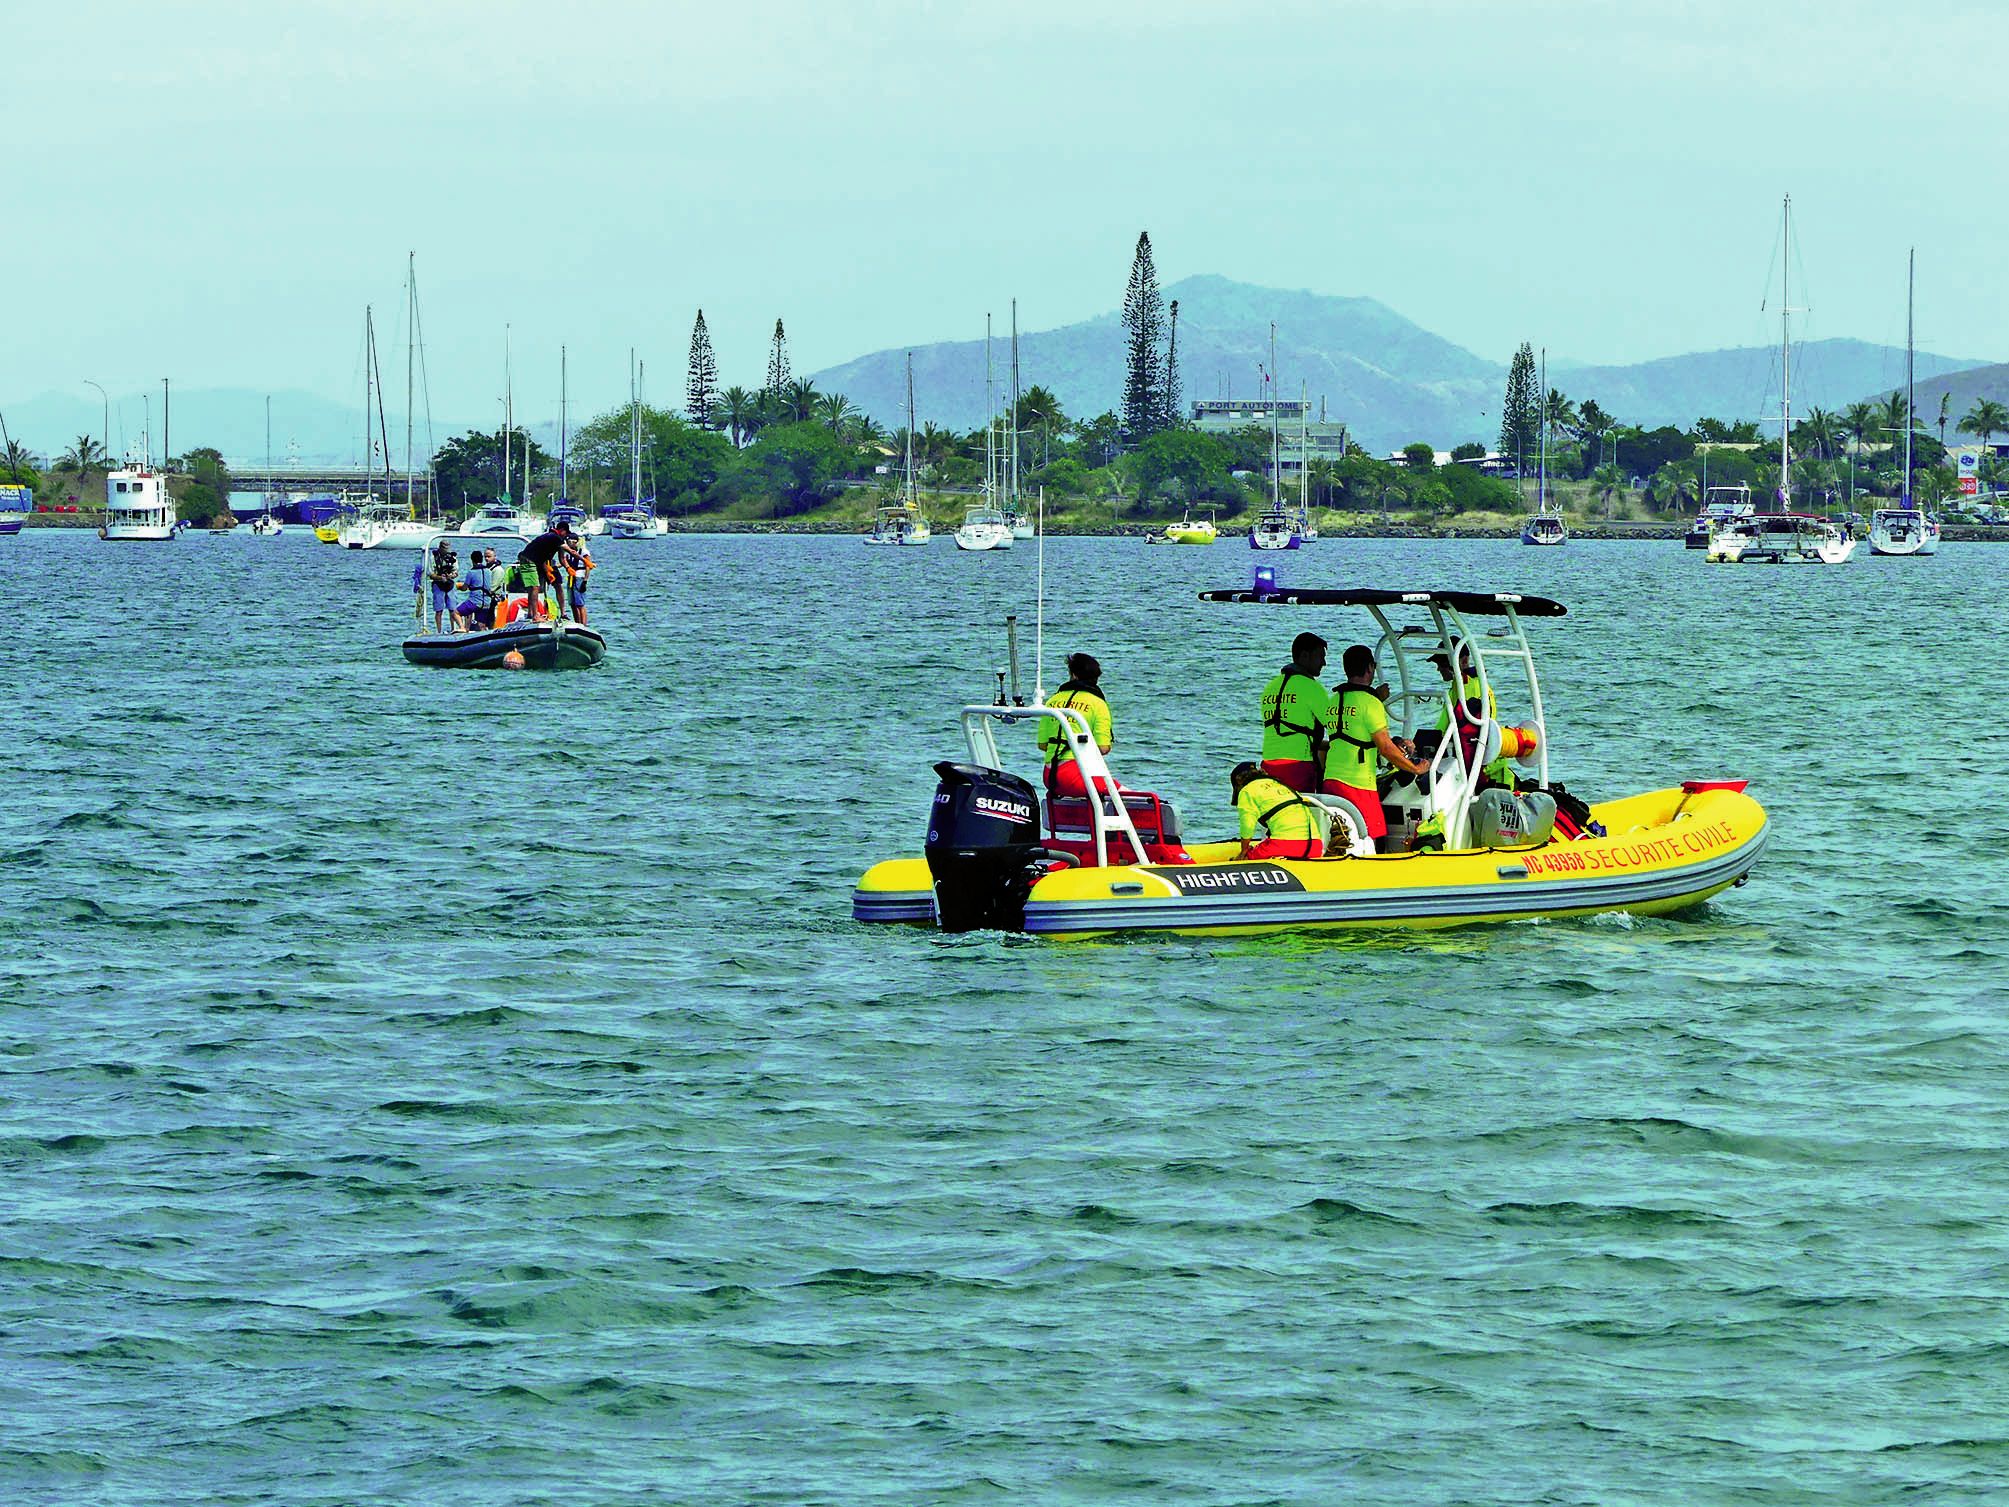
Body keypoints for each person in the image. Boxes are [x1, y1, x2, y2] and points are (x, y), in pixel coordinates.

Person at [1323, 644, 1430, 852]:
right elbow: (1385, 749)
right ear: (1370, 668)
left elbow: (1354, 733)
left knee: (1339, 834)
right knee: (1375, 836)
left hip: (1331, 779)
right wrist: (1415, 768)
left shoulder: (1334, 700)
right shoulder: (1371, 704)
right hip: (1357, 783)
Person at [1037, 652, 1116, 800]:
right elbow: (1103, 748)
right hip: (1076, 776)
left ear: (1073, 675)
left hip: (1050, 777)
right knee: (1131, 796)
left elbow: (1042, 745)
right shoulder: (1097, 703)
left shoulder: (1052, 701)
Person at [1257, 632, 1330, 792]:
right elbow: (1337, 725)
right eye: (1320, 656)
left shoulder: (1270, 687)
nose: (1324, 663)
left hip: (1268, 765)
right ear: (1305, 656)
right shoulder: (1312, 687)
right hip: (1297, 766)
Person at [1231, 761, 1323, 861]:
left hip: (1285, 845)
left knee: (1248, 858)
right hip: (1315, 846)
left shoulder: (1247, 790)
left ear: (1239, 781)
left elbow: (1247, 826)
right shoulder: (1280, 784)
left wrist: (1244, 852)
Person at [515, 519, 573, 622]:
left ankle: (563, 613)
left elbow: (562, 558)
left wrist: (568, 568)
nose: (566, 536)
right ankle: (533, 613)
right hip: (540, 563)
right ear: (562, 530)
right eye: (566, 533)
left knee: (558, 585)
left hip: (551, 564)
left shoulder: (560, 541)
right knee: (537, 587)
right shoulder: (551, 537)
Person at [426, 539, 464, 635]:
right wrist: (440, 577)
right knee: (439, 610)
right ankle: (438, 631)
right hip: (438, 584)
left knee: (452, 608)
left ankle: (454, 628)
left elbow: (456, 572)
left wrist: (451, 575)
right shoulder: (433, 558)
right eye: (444, 548)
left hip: (450, 584)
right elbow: (430, 574)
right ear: (440, 547)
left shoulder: (452, 557)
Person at [561, 535, 596, 624]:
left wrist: (585, 581)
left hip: (580, 577)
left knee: (580, 603)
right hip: (571, 577)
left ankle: (583, 624)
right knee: (572, 603)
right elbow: (564, 562)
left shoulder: (584, 552)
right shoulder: (569, 553)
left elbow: (588, 565)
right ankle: (577, 622)